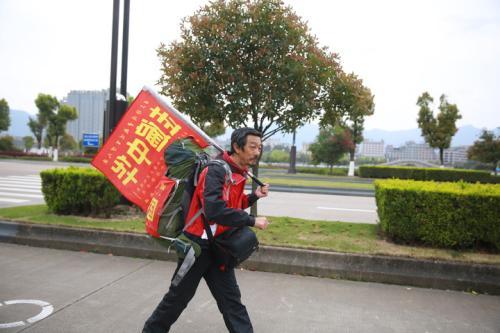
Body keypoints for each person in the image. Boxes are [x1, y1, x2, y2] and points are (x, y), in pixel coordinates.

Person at [143, 127, 270, 333]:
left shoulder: (237, 172)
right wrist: (251, 220)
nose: (257, 152)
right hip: (197, 247)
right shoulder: (216, 170)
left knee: (231, 302)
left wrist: (254, 196)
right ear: (237, 147)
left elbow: (232, 206)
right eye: (253, 146)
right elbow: (214, 210)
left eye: (260, 147)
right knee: (177, 300)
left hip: (219, 247)